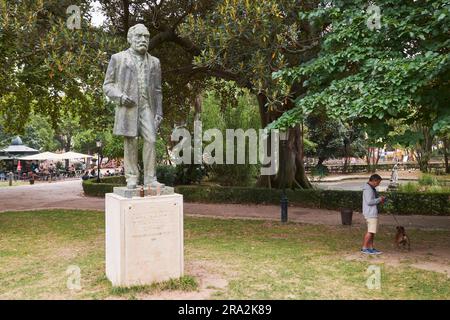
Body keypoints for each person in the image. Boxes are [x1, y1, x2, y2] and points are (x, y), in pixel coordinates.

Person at [103, 23, 163, 189]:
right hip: (128, 106)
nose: (143, 39)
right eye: (139, 36)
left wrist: (159, 111)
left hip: (147, 107)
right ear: (130, 38)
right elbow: (107, 85)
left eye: (146, 36)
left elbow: (158, 90)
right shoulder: (118, 58)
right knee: (130, 142)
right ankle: (131, 177)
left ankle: (150, 178)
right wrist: (121, 97)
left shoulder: (155, 62)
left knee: (151, 140)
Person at [361, 174, 385, 255]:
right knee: (370, 231)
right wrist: (379, 199)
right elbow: (369, 201)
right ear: (374, 181)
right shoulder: (368, 189)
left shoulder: (370, 188)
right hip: (370, 213)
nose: (378, 184)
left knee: (372, 231)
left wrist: (379, 199)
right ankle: (364, 248)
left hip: (372, 212)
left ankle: (370, 248)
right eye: (378, 182)